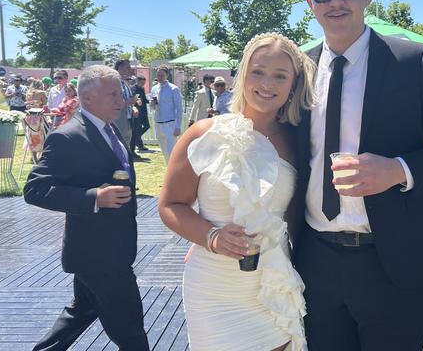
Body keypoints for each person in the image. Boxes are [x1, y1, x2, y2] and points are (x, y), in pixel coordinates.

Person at [289, 0, 423, 350]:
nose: (336, 1)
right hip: (313, 260)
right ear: (310, 2)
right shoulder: (298, 69)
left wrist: (399, 170)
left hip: (393, 260)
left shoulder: (413, 60)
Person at [159, 33, 315, 350]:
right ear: (243, 74)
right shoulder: (204, 133)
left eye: (280, 76)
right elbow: (171, 205)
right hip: (214, 286)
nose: (267, 84)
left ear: (293, 86)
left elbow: (297, 219)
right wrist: (210, 235)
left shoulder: (298, 142)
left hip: (269, 280)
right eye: (258, 71)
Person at [23, 65, 149, 351]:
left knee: (81, 313)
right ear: (87, 98)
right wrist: (93, 197)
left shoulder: (109, 128)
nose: (121, 100)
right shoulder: (68, 137)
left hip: (103, 251)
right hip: (101, 257)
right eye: (113, 94)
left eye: (121, 93)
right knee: (132, 333)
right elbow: (34, 189)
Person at [150, 66, 182, 163]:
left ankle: (175, 172)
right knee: (164, 151)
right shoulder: (154, 88)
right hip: (158, 122)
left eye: (162, 75)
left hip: (169, 123)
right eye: (158, 75)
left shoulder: (173, 89)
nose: (160, 77)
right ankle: (169, 170)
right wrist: (152, 104)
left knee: (172, 150)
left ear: (167, 75)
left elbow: (179, 109)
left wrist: (178, 126)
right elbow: (153, 107)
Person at [114, 59, 137, 146]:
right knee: (119, 145)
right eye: (128, 67)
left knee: (126, 145)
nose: (130, 69)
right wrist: (128, 102)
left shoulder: (125, 83)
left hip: (128, 119)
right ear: (120, 68)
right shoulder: (114, 83)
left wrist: (133, 108)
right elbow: (114, 102)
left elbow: (128, 100)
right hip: (118, 119)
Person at [130, 75, 150, 154]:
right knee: (137, 129)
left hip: (143, 112)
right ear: (137, 81)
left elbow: (144, 99)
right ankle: (138, 143)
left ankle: (137, 140)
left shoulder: (142, 89)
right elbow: (135, 98)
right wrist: (137, 99)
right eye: (141, 82)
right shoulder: (134, 88)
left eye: (144, 83)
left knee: (147, 126)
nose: (142, 84)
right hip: (137, 112)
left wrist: (150, 101)